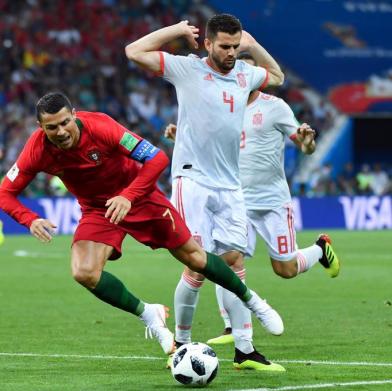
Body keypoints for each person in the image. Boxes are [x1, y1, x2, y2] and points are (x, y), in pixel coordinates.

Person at [0, 92, 286, 357]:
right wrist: (30, 219)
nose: (61, 132)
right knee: (84, 272)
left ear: (74, 114)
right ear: (40, 126)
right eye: (52, 127)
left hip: (139, 196)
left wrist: (128, 196)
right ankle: (148, 313)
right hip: (99, 210)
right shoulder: (37, 149)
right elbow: (5, 193)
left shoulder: (101, 127)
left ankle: (253, 301)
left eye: (65, 122)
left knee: (196, 258)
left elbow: (156, 157)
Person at [125, 14, 285, 371]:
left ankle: (245, 351)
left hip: (230, 184)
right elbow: (134, 51)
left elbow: (277, 77)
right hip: (192, 180)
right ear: (208, 43)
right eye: (224, 46)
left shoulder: (245, 74)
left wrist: (254, 46)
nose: (230, 53)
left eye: (235, 46)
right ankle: (180, 344)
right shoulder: (187, 69)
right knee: (195, 265)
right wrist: (177, 32)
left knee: (232, 261)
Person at [165, 52, 340, 347]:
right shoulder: (218, 102)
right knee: (227, 258)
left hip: (272, 200)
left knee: (284, 269)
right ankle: (234, 329)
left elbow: (304, 146)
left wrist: (308, 143)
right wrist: (179, 136)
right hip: (234, 197)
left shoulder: (275, 108)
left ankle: (320, 250)